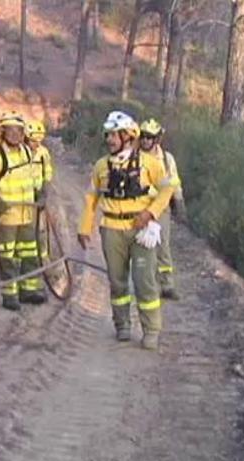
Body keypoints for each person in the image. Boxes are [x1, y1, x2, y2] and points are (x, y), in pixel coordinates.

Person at [76, 111, 174, 349]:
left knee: (144, 280)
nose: (109, 140)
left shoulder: (149, 163)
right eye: (107, 135)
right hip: (111, 229)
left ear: (128, 137)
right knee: (117, 281)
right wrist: (84, 227)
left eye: (114, 135)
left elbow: (167, 189)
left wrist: (150, 214)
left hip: (141, 230)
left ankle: (151, 330)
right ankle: (122, 325)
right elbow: (91, 198)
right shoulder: (101, 166)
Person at [0, 111, 47, 311]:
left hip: (27, 216)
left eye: (18, 130)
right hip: (6, 219)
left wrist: (41, 192)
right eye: (9, 129)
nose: (14, 134)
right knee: (8, 258)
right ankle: (9, 296)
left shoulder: (28, 152)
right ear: (2, 132)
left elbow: (33, 179)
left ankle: (28, 290)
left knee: (29, 254)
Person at [138, 118, 184, 300]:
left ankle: (167, 285)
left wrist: (179, 202)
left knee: (162, 247)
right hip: (140, 208)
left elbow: (174, 182)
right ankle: (145, 284)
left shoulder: (167, 159)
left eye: (149, 137)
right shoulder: (134, 157)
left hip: (162, 208)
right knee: (142, 247)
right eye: (143, 137)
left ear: (157, 139)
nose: (145, 141)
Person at [25, 119, 55, 265]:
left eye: (39, 141)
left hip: (38, 195)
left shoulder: (43, 153)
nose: (36, 144)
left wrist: (44, 192)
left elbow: (47, 172)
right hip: (22, 197)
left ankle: (43, 257)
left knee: (41, 229)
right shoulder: (20, 152)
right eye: (32, 140)